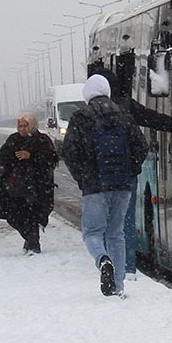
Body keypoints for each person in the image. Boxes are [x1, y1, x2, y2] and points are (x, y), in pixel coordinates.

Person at [88, 66, 172, 282]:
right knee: (125, 222)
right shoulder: (126, 108)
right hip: (124, 178)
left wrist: (86, 176)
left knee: (99, 224)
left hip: (97, 180)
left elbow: (74, 151)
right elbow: (155, 124)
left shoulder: (85, 114)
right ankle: (127, 268)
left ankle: (105, 259)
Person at [61, 74, 148, 297]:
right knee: (116, 233)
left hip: (95, 187)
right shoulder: (124, 116)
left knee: (92, 232)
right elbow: (141, 146)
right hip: (122, 186)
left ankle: (102, 260)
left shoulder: (81, 118)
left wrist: (84, 179)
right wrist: (129, 172)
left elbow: (69, 152)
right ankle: (118, 285)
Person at [0, 112, 57, 255]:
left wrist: (31, 157)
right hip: (15, 187)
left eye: (25, 126)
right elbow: (3, 159)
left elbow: (50, 160)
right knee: (12, 215)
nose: (22, 129)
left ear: (32, 125)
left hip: (36, 188)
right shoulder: (13, 140)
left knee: (31, 216)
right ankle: (30, 240)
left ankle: (33, 245)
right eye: (20, 126)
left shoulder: (42, 140)